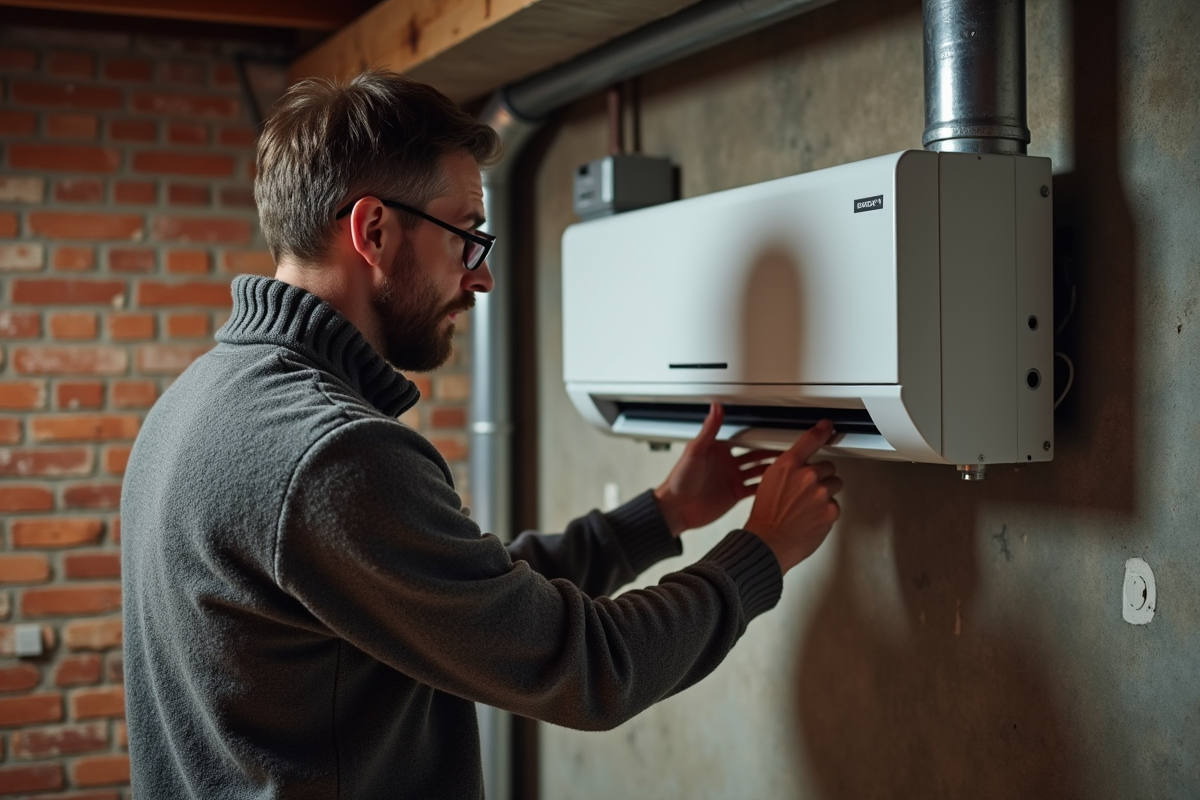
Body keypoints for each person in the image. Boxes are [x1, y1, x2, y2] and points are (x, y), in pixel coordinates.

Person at [121, 70, 843, 798]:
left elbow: (459, 603)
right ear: (374, 230)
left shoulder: (194, 404)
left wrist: (663, 515)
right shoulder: (332, 455)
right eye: (467, 234)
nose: (484, 276)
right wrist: (765, 549)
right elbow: (593, 669)